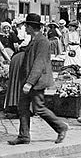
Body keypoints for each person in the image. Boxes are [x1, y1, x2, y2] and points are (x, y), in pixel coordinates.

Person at [8, 13, 68, 145]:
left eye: (26, 26)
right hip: (29, 80)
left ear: (30, 27)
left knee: (38, 108)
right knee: (22, 107)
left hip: (36, 81)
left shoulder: (42, 41)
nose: (24, 28)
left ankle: (60, 126)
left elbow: (39, 63)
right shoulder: (34, 40)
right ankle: (24, 136)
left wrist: (29, 83)